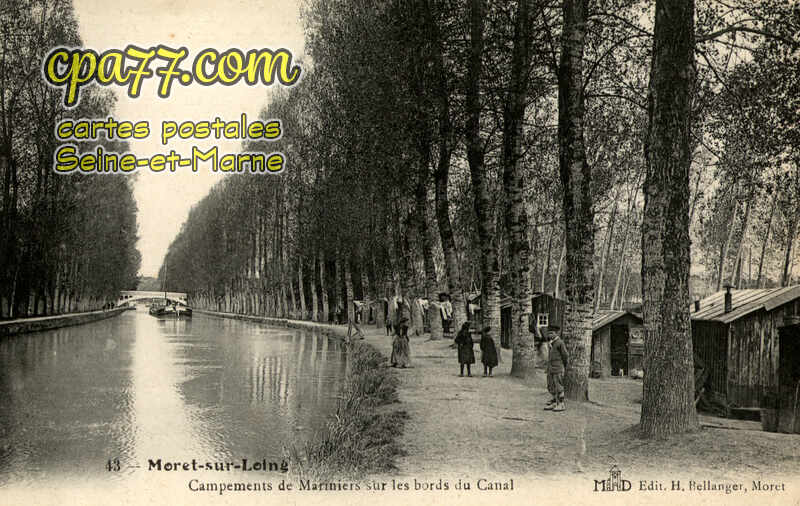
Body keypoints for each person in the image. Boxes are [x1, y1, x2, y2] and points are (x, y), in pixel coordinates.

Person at [544, 325, 568, 412]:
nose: (550, 335)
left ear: (556, 333)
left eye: (552, 333)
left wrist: (563, 365)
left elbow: (565, 355)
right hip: (551, 368)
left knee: (559, 386)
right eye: (549, 333)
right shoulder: (550, 343)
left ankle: (561, 404)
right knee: (551, 385)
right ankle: (554, 402)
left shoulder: (560, 343)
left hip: (558, 368)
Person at [391, 297, 412, 368]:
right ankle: (399, 362)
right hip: (400, 337)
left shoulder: (401, 313)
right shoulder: (398, 313)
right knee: (399, 349)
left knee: (401, 349)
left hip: (401, 337)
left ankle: (401, 362)